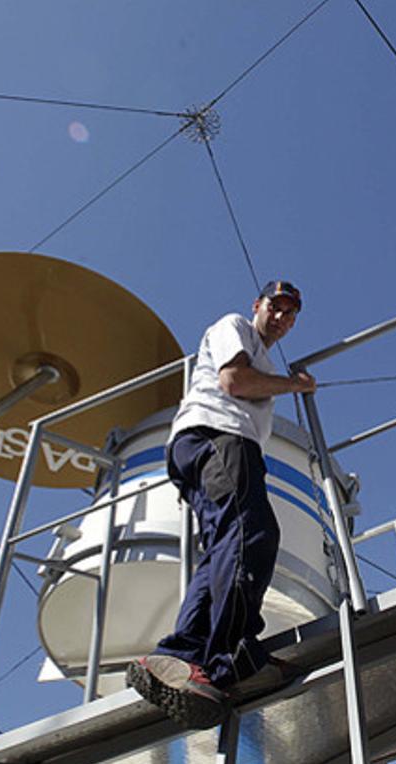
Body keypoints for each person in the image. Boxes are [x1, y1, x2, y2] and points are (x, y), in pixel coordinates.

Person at [126, 280, 316, 729]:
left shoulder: (262, 356)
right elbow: (235, 381)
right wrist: (295, 385)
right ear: (258, 305)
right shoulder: (235, 328)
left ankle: (179, 660)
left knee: (223, 552)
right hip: (217, 435)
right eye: (276, 306)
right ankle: (231, 659)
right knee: (253, 533)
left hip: (209, 443)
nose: (282, 317)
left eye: (291, 314)